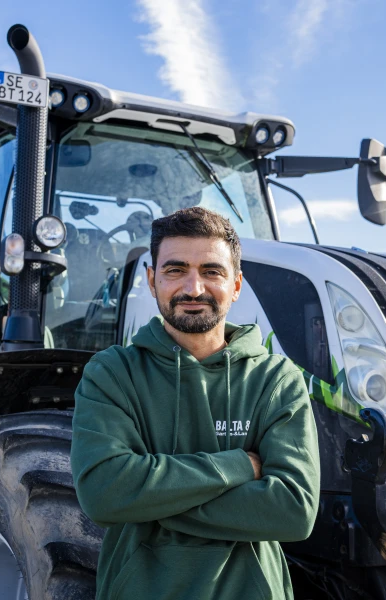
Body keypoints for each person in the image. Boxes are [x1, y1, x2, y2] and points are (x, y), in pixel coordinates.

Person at [71, 207, 320, 599]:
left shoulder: (275, 380)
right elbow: (104, 493)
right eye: (175, 270)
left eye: (211, 271)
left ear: (236, 285)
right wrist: (240, 465)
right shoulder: (113, 374)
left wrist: (146, 499)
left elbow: (293, 510)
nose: (193, 288)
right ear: (152, 281)